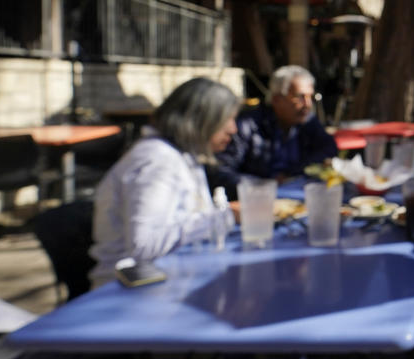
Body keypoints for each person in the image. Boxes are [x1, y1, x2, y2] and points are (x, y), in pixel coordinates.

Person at [88, 77, 239, 287]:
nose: (233, 129)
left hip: (169, 279)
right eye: (226, 120)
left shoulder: (182, 156)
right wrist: (226, 217)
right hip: (130, 291)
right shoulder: (157, 161)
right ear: (200, 120)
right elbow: (143, 246)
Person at [210, 65, 337, 199]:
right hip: (255, 203)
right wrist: (265, 186)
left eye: (311, 97)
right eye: (300, 97)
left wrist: (291, 173)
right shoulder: (247, 126)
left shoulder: (306, 121)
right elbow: (220, 172)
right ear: (277, 99)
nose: (308, 104)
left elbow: (329, 148)